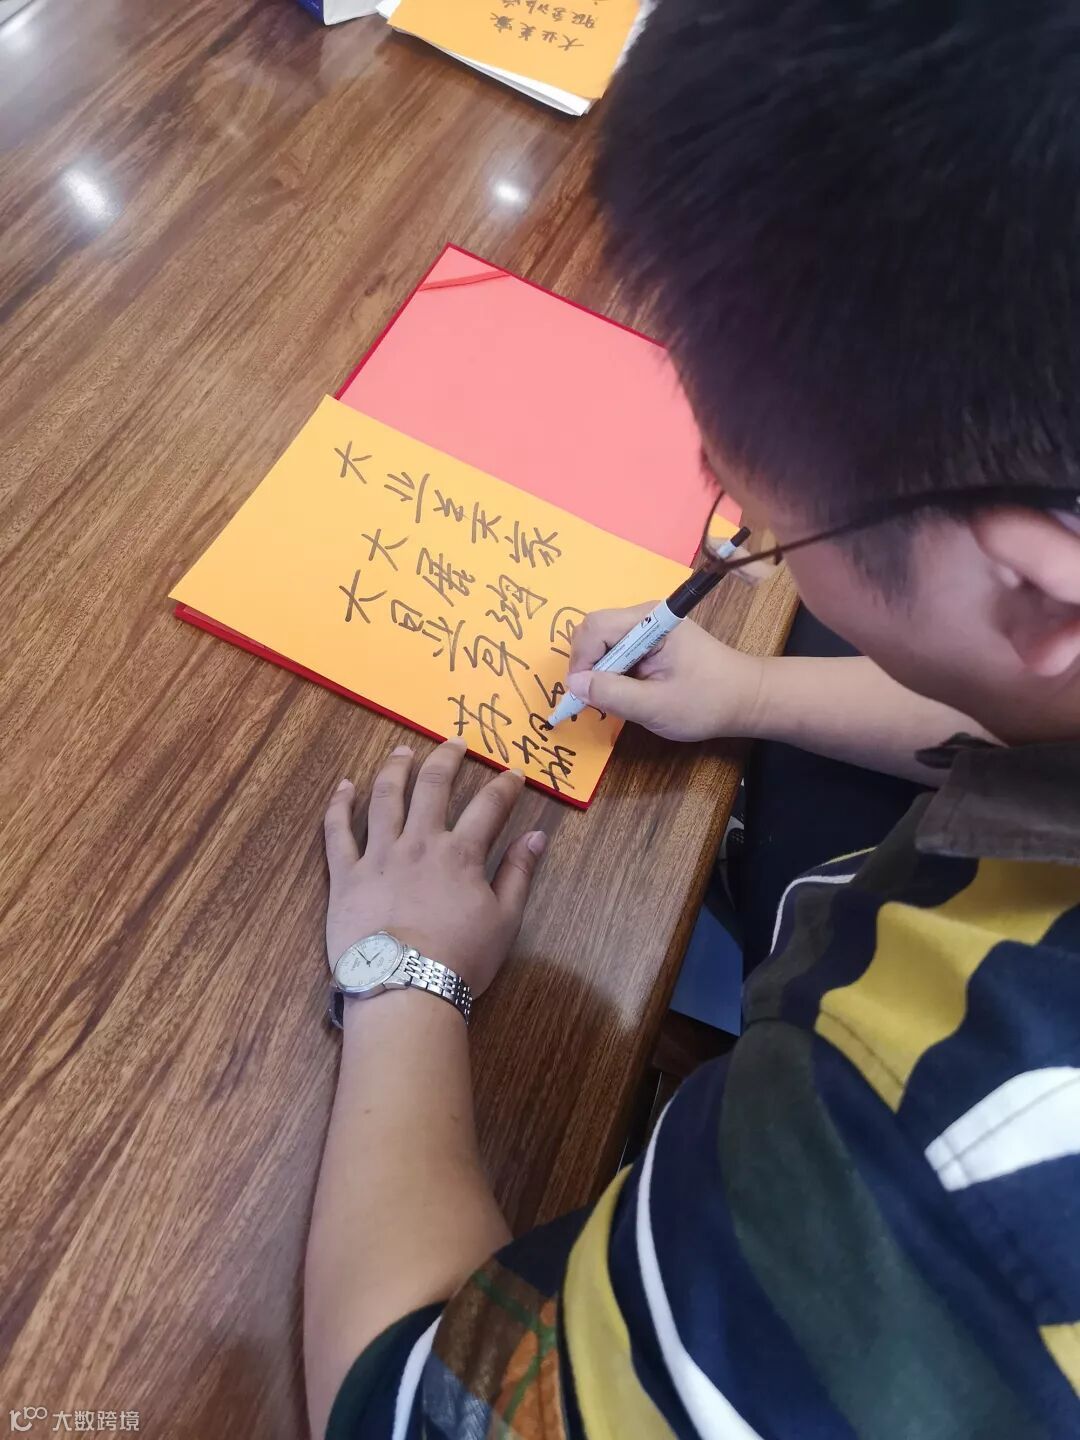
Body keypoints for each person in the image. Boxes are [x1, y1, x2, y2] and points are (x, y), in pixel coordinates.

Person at [304, 2, 1080, 1435]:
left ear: (1035, 582)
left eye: (760, 520)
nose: (736, 526)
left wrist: (403, 975)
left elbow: (412, 1408)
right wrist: (754, 690)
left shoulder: (930, 1157)